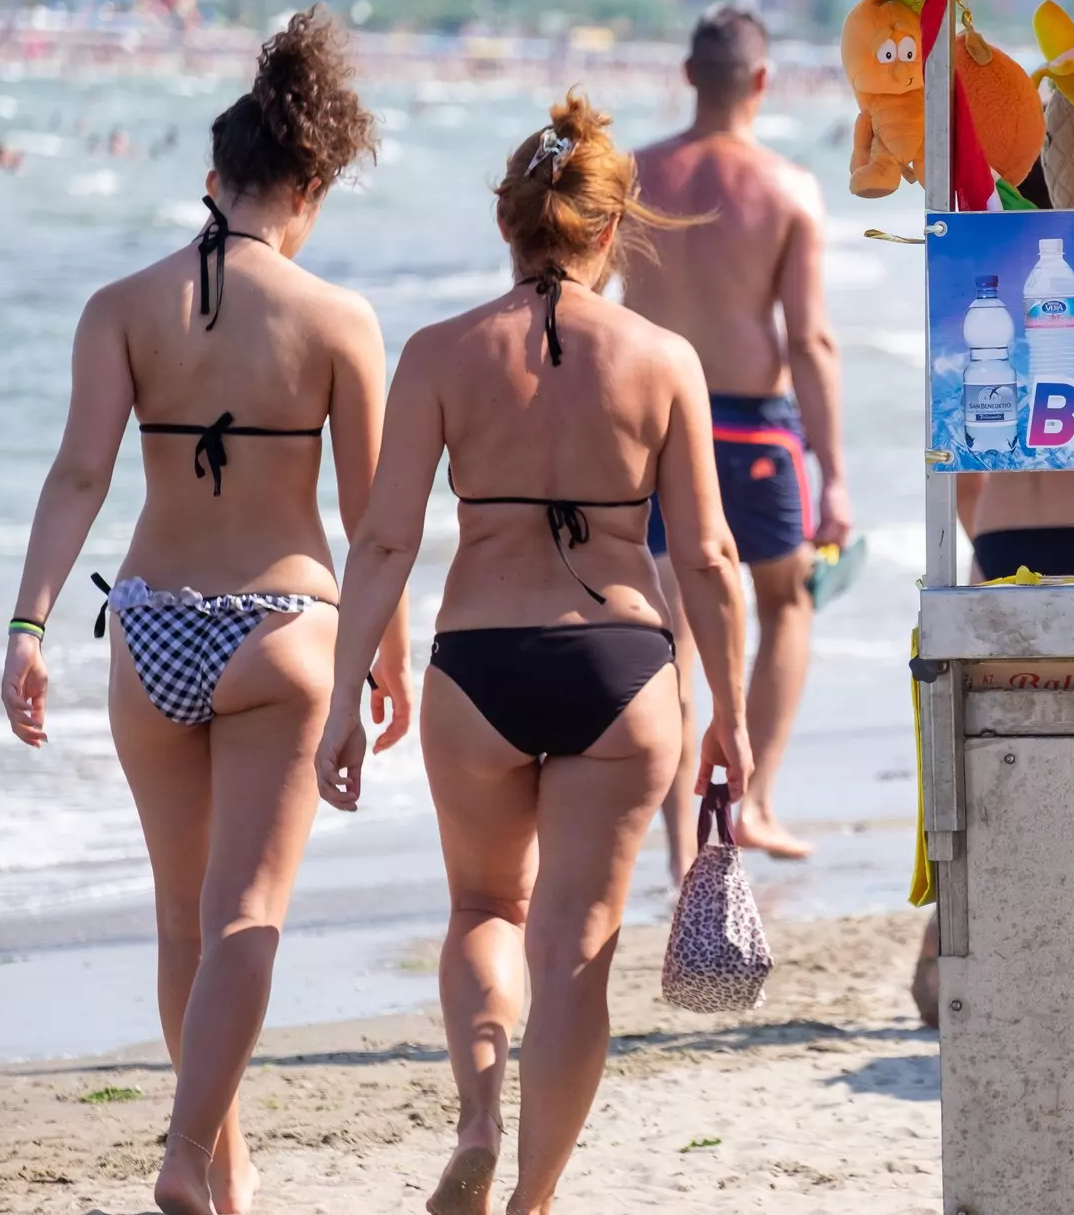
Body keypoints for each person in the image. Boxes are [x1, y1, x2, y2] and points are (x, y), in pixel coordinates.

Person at [312, 92, 754, 1215]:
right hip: (620, 668)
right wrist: (732, 716)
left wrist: (345, 695)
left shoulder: (439, 352)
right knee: (574, 945)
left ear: (507, 224)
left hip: (477, 665)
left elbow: (383, 539)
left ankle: (476, 1117)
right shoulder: (663, 358)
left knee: (482, 911)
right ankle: (533, 1199)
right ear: (612, 228)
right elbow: (705, 553)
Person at [0, 10, 406, 1215]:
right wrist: (387, 655)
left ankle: (224, 1171)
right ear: (312, 186)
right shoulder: (339, 321)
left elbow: (78, 474)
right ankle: (189, 1155)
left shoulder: (121, 306)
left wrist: (27, 626)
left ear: (212, 179)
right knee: (249, 915)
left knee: (183, 916)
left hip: (148, 623)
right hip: (284, 625)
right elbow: (369, 513)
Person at [630, 4, 850, 863]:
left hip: (649, 424)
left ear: (689, 77)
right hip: (755, 431)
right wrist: (834, 473)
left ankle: (687, 845)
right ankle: (751, 802)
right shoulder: (789, 188)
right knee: (782, 604)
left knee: (676, 629)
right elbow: (812, 339)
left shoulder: (630, 177)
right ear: (762, 82)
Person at [957, 471, 1074, 580]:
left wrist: (985, 548)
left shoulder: (985, 399)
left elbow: (965, 483)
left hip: (995, 538)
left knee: (991, 649)